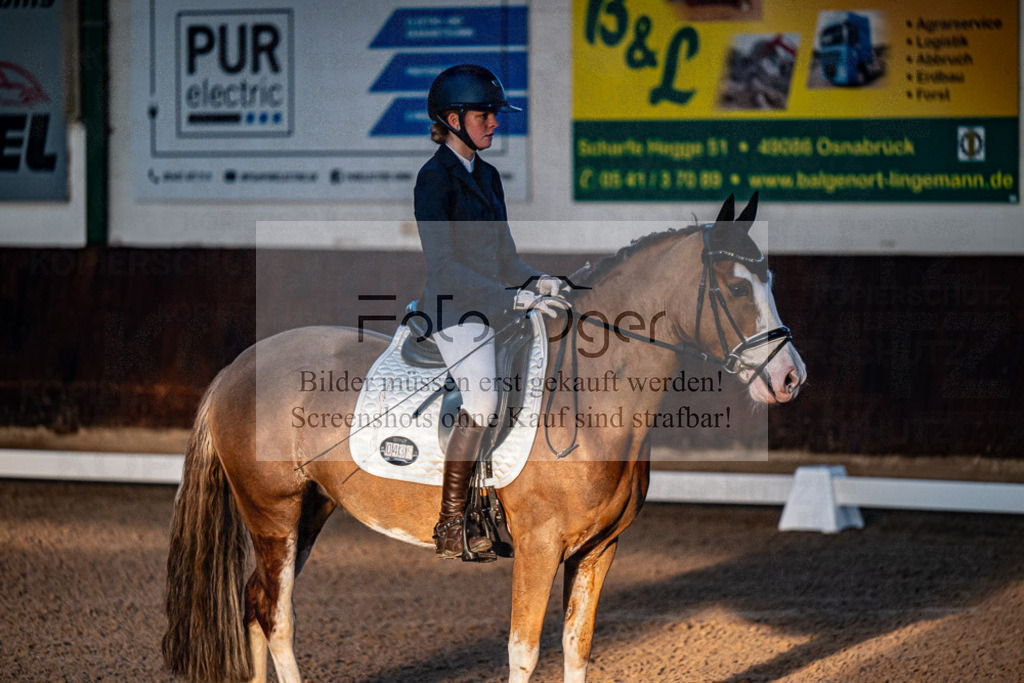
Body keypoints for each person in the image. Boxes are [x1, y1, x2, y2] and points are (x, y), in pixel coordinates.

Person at [415, 64, 568, 559]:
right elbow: (444, 267)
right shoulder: (433, 180)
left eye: (493, 115)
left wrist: (537, 280)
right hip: (455, 312)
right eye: (486, 114)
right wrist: (513, 298)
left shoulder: (490, 176)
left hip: (497, 308)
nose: (494, 123)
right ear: (454, 118)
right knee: (481, 405)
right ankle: (451, 524)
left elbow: (506, 258)